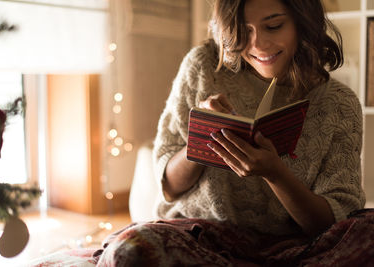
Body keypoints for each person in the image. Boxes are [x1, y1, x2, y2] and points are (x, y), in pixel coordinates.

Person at [94, 0, 373, 265]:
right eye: (242, 30)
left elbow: (332, 224)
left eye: (273, 26)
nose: (258, 44)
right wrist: (205, 134)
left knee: (368, 233)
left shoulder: (338, 103)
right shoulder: (204, 66)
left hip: (291, 249)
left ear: (304, 22)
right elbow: (168, 185)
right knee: (131, 250)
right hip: (201, 237)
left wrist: (276, 174)